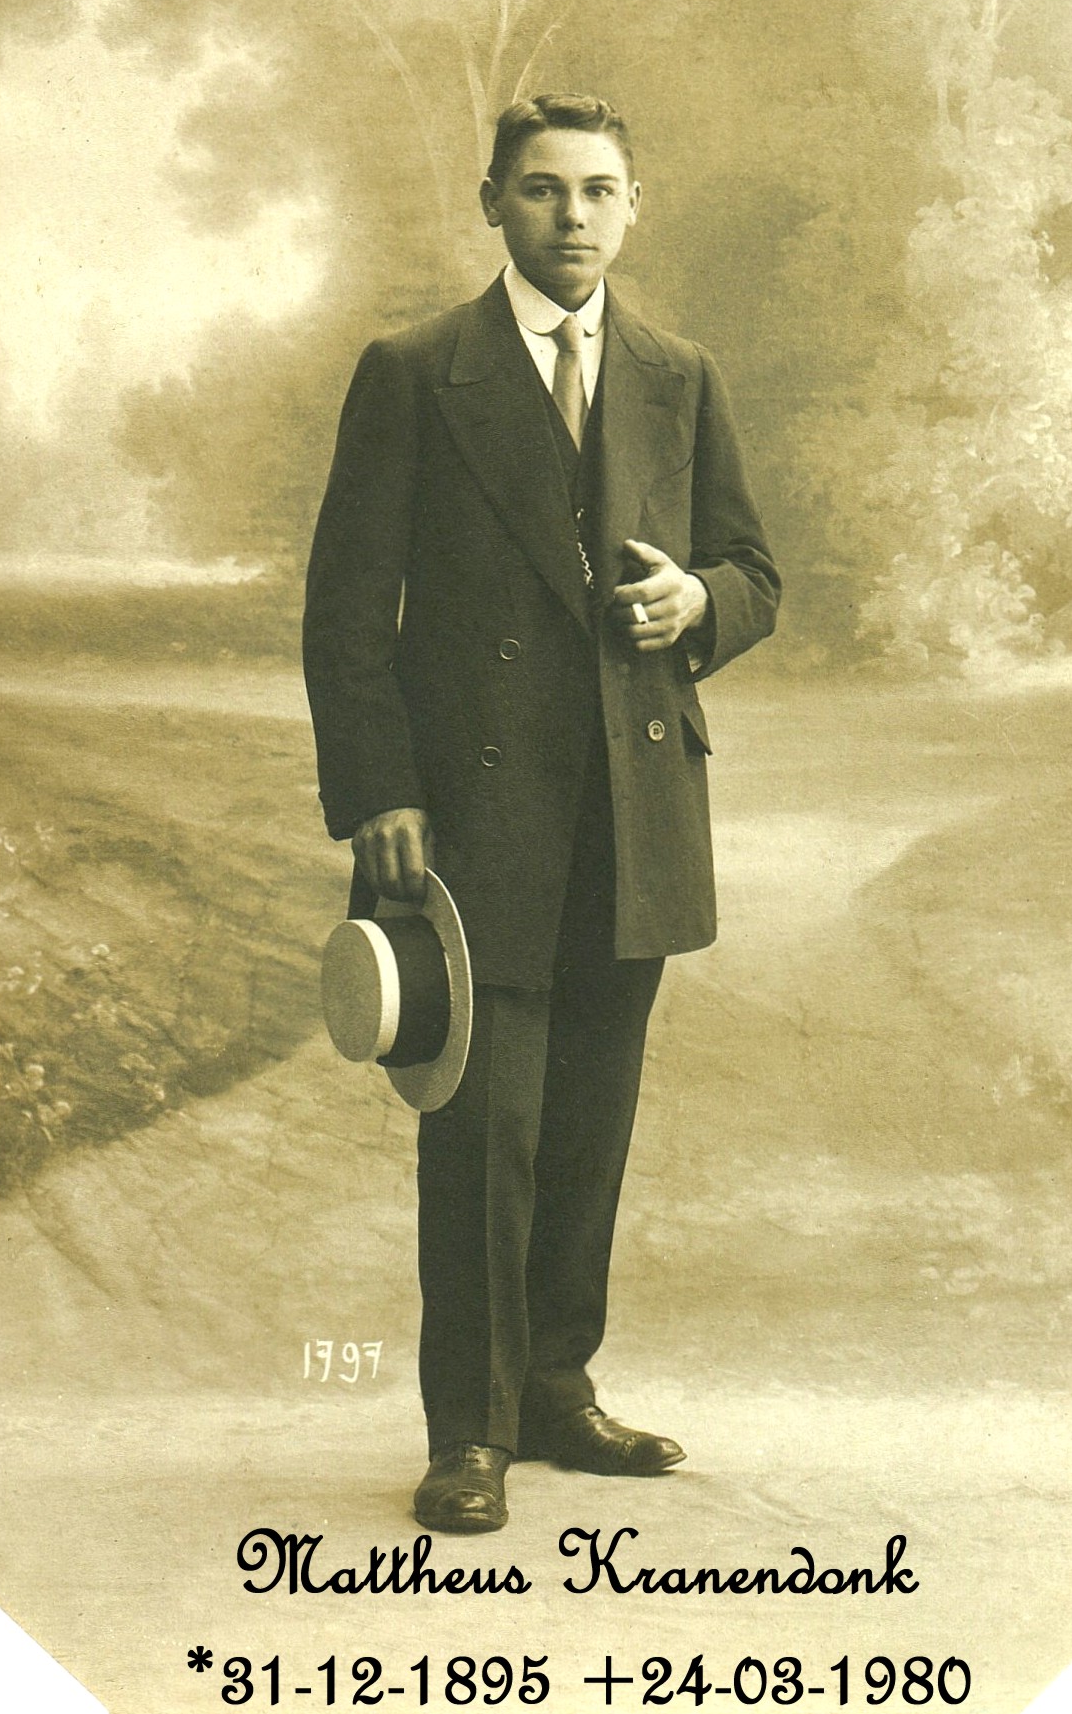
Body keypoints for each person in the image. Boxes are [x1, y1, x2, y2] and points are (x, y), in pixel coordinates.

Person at [303, 94, 779, 1534]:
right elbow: (347, 612)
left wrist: (699, 601)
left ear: (633, 207)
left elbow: (755, 570)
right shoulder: (415, 371)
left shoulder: (678, 374)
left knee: (586, 1123)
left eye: (598, 191)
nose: (573, 216)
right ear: (493, 203)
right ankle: (471, 1429)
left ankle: (559, 1389)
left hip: (633, 813)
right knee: (480, 1132)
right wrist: (380, 788)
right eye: (543, 189)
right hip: (472, 819)